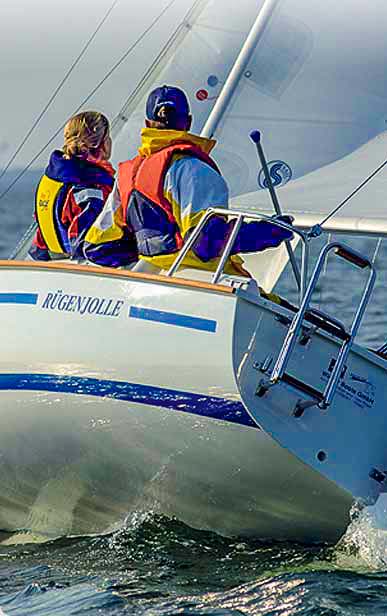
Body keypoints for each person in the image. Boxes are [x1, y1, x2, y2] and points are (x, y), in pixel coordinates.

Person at [83, 85, 292, 273]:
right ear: (188, 121)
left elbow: (98, 247)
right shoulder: (194, 170)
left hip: (157, 277)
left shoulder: (125, 176)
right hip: (205, 280)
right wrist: (271, 231)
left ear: (147, 123)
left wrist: (153, 250)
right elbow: (205, 243)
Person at [29, 111, 116, 261]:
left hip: (54, 266)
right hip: (82, 271)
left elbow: (39, 243)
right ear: (104, 144)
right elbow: (85, 246)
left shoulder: (51, 180)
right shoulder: (92, 188)